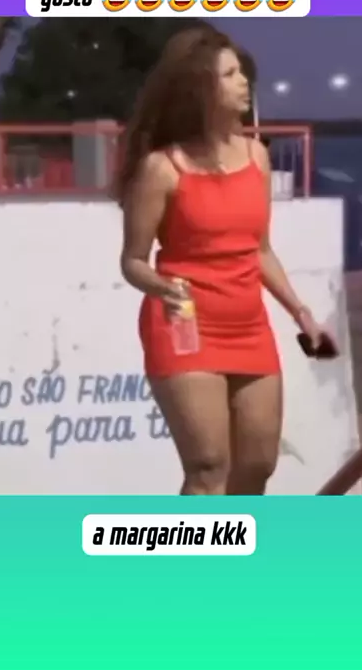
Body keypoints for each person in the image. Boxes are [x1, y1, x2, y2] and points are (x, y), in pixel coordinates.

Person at [118, 26, 335, 496]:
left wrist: (301, 313)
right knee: (208, 467)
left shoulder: (257, 156)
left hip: (248, 324)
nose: (244, 82)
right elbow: (133, 261)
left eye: (242, 72)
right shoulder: (162, 168)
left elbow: (259, 250)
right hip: (185, 325)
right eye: (230, 74)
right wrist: (162, 287)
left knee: (258, 464)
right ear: (201, 89)